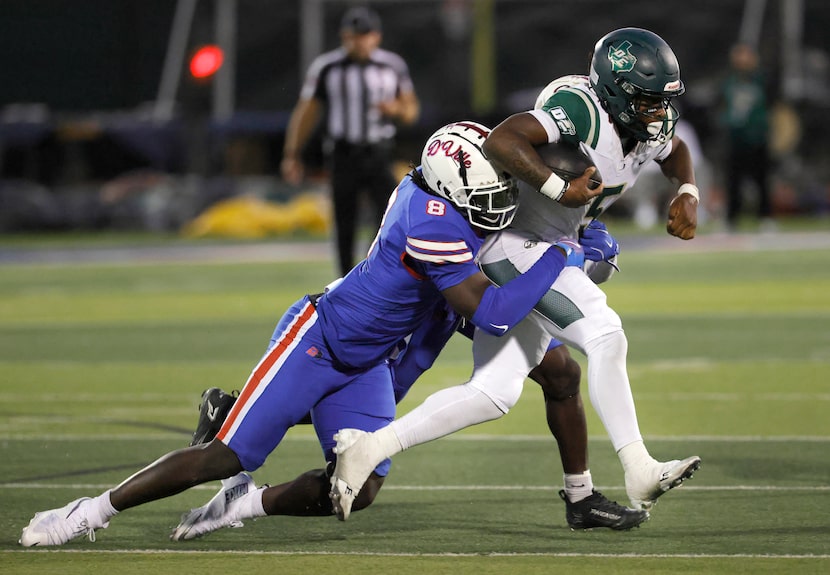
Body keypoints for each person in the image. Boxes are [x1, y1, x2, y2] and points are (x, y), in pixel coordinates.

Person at [19, 121, 594, 547]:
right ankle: (88, 512)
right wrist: (561, 253)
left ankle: (246, 506)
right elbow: (490, 311)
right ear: (451, 186)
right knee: (223, 457)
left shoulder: (439, 197)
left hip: (367, 360)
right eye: (488, 191)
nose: (498, 203)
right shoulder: (432, 221)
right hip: (321, 337)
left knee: (357, 487)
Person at [330, 27, 702, 520]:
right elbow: (503, 139)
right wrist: (559, 191)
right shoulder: (582, 109)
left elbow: (672, 151)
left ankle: (369, 449)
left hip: (549, 242)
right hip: (513, 246)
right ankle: (637, 468)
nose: (660, 113)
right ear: (616, 94)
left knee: (493, 392)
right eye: (649, 101)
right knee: (605, 334)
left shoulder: (643, 127)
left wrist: (687, 192)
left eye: (662, 101)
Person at [280, 6, 421, 276]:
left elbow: (412, 109)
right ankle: (345, 280)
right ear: (345, 37)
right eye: (354, 35)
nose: (360, 41)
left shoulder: (391, 65)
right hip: (343, 153)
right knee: (345, 222)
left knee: (387, 218)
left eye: (365, 35)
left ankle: (378, 274)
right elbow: (307, 111)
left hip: (379, 152)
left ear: (376, 36)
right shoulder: (328, 67)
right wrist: (292, 153)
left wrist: (397, 110)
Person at [719, 42, 772, 232]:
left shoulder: (763, 81)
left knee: (762, 180)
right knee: (734, 181)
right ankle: (731, 219)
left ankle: (766, 217)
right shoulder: (729, 82)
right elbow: (722, 107)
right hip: (736, 138)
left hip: (757, 138)